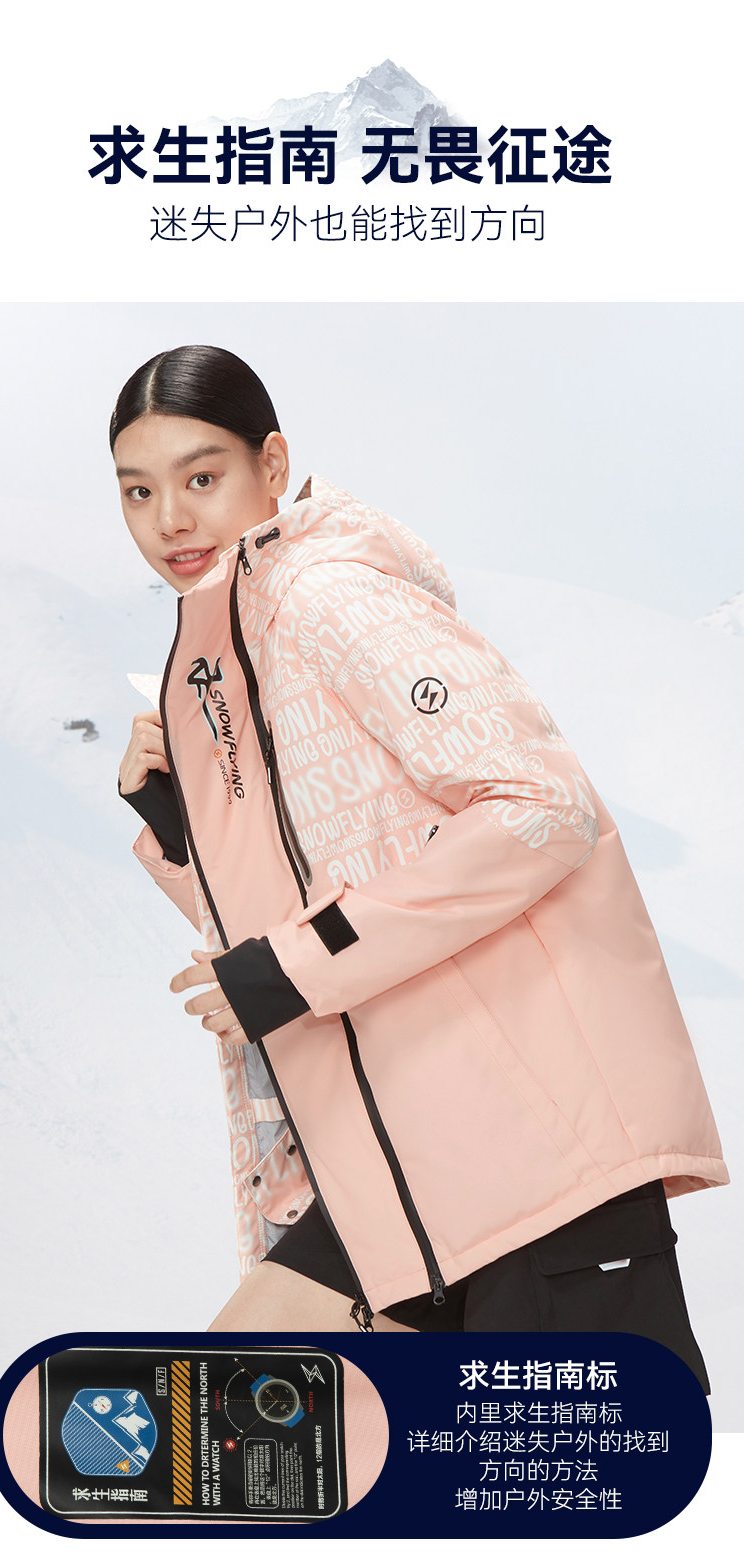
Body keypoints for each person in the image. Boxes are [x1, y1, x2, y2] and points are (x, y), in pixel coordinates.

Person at [114, 344, 727, 1380]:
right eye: (138, 491)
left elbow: (539, 806)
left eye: (200, 476)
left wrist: (294, 966)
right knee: (246, 1402)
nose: (170, 517)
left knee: (578, 1465)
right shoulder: (231, 661)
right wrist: (178, 830)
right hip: (404, 1157)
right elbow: (304, 912)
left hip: (526, 1150)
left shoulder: (330, 600)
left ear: (273, 464)